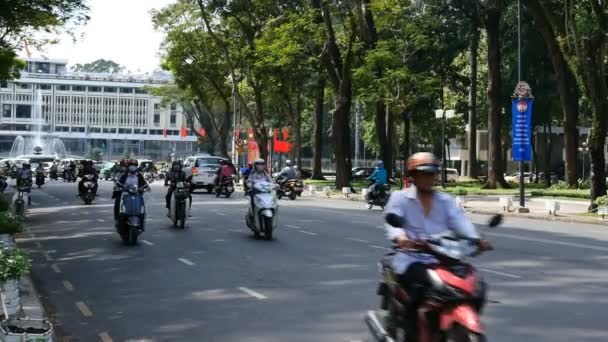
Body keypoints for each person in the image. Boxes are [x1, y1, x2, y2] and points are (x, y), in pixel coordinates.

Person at [383, 152, 492, 340]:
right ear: (413, 176)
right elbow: (392, 222)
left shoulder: (445, 201)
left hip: (443, 257)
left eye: (431, 174)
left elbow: (461, 223)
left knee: (476, 286)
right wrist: (401, 237)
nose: (428, 178)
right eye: (423, 174)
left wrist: (477, 240)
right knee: (417, 291)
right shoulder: (400, 199)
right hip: (411, 258)